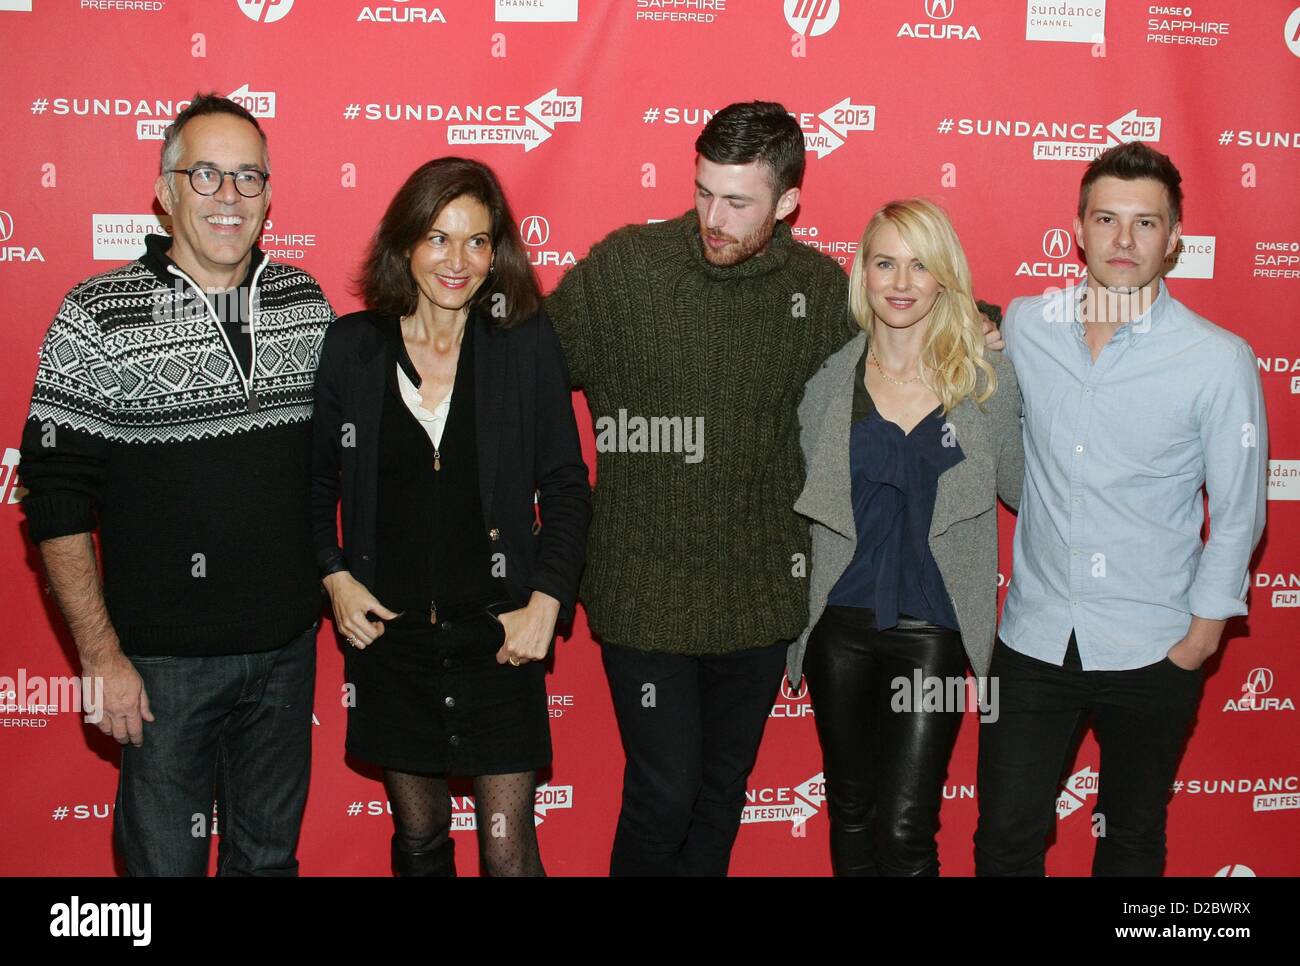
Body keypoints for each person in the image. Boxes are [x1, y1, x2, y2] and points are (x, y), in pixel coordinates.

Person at [18, 93, 334, 875]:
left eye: (248, 178)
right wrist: (100, 659)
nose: (229, 198)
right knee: (163, 871)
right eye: (206, 176)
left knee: (266, 865)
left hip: (287, 653)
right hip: (160, 670)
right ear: (163, 190)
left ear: (269, 193)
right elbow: (55, 504)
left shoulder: (307, 304)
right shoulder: (96, 315)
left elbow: (350, 466)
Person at [975, 141, 1268, 876]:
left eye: (1146, 223)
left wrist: (1200, 641)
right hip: (1034, 639)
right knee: (1005, 838)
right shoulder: (1027, 326)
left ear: (1174, 240)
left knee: (1131, 840)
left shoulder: (1215, 358)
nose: (1124, 240)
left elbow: (1238, 511)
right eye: (1107, 219)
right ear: (1078, 229)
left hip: (1155, 643)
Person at [311, 157, 590, 877]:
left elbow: (566, 484)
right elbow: (314, 482)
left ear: (497, 250)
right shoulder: (354, 349)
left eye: (476, 241)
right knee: (421, 835)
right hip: (392, 641)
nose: (457, 261)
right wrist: (335, 577)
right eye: (439, 238)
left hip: (499, 640)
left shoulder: (522, 342)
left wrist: (547, 600)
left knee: (506, 850)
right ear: (406, 243)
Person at [788, 199, 1023, 876]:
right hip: (841, 626)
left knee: (906, 822)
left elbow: (1022, 490)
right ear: (862, 273)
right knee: (852, 808)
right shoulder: (829, 384)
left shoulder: (987, 381)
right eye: (885, 261)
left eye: (920, 265)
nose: (900, 280)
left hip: (937, 630)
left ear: (946, 278)